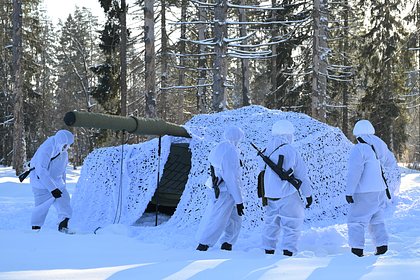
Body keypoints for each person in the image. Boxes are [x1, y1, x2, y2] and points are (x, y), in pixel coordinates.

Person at [258, 120, 312, 256]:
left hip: (270, 195)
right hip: (288, 194)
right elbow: (302, 174)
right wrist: (308, 194)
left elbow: (261, 172)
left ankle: (268, 251)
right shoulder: (290, 149)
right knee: (292, 224)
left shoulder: (265, 150)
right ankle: (288, 252)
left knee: (271, 224)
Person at [346, 119, 397, 257]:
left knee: (356, 220)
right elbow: (391, 162)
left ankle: (356, 251)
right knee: (377, 219)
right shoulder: (379, 145)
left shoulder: (359, 149)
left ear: (357, 133)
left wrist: (349, 191)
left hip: (364, 192)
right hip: (379, 191)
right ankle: (382, 247)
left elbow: (354, 172)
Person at [196, 125, 245, 251]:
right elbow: (231, 179)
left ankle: (227, 243)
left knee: (235, 220)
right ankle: (203, 245)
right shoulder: (230, 152)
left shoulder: (221, 148)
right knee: (218, 219)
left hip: (224, 190)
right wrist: (239, 201)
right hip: (227, 192)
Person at [29, 129, 74, 233]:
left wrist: (63, 184)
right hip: (41, 184)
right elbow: (41, 170)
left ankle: (63, 227)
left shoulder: (64, 153)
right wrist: (52, 189)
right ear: (61, 141)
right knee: (41, 208)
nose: (68, 147)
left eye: (69, 145)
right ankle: (35, 231)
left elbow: (62, 170)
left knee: (65, 203)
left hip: (57, 184)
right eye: (66, 144)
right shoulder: (47, 148)